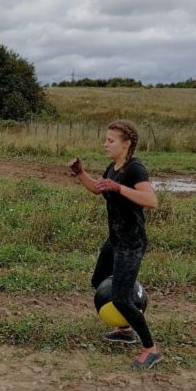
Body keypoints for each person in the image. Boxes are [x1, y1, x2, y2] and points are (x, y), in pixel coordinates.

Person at [68, 119, 162, 369]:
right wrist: (80, 173)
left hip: (131, 243)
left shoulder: (134, 169)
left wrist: (119, 188)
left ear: (127, 143)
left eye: (111, 140)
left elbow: (151, 201)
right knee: (99, 282)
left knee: (120, 298)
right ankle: (124, 330)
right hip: (115, 240)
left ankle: (151, 349)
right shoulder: (113, 167)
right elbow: (99, 189)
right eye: (106, 139)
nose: (105, 144)